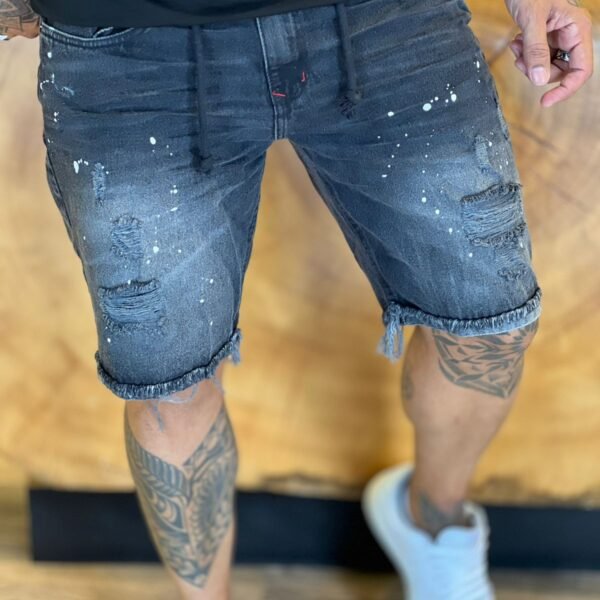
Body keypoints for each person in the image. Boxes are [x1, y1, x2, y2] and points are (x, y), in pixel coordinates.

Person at [3, 0, 593, 598]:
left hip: (384, 17)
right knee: (168, 385)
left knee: (489, 319)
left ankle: (432, 528)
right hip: (131, 47)